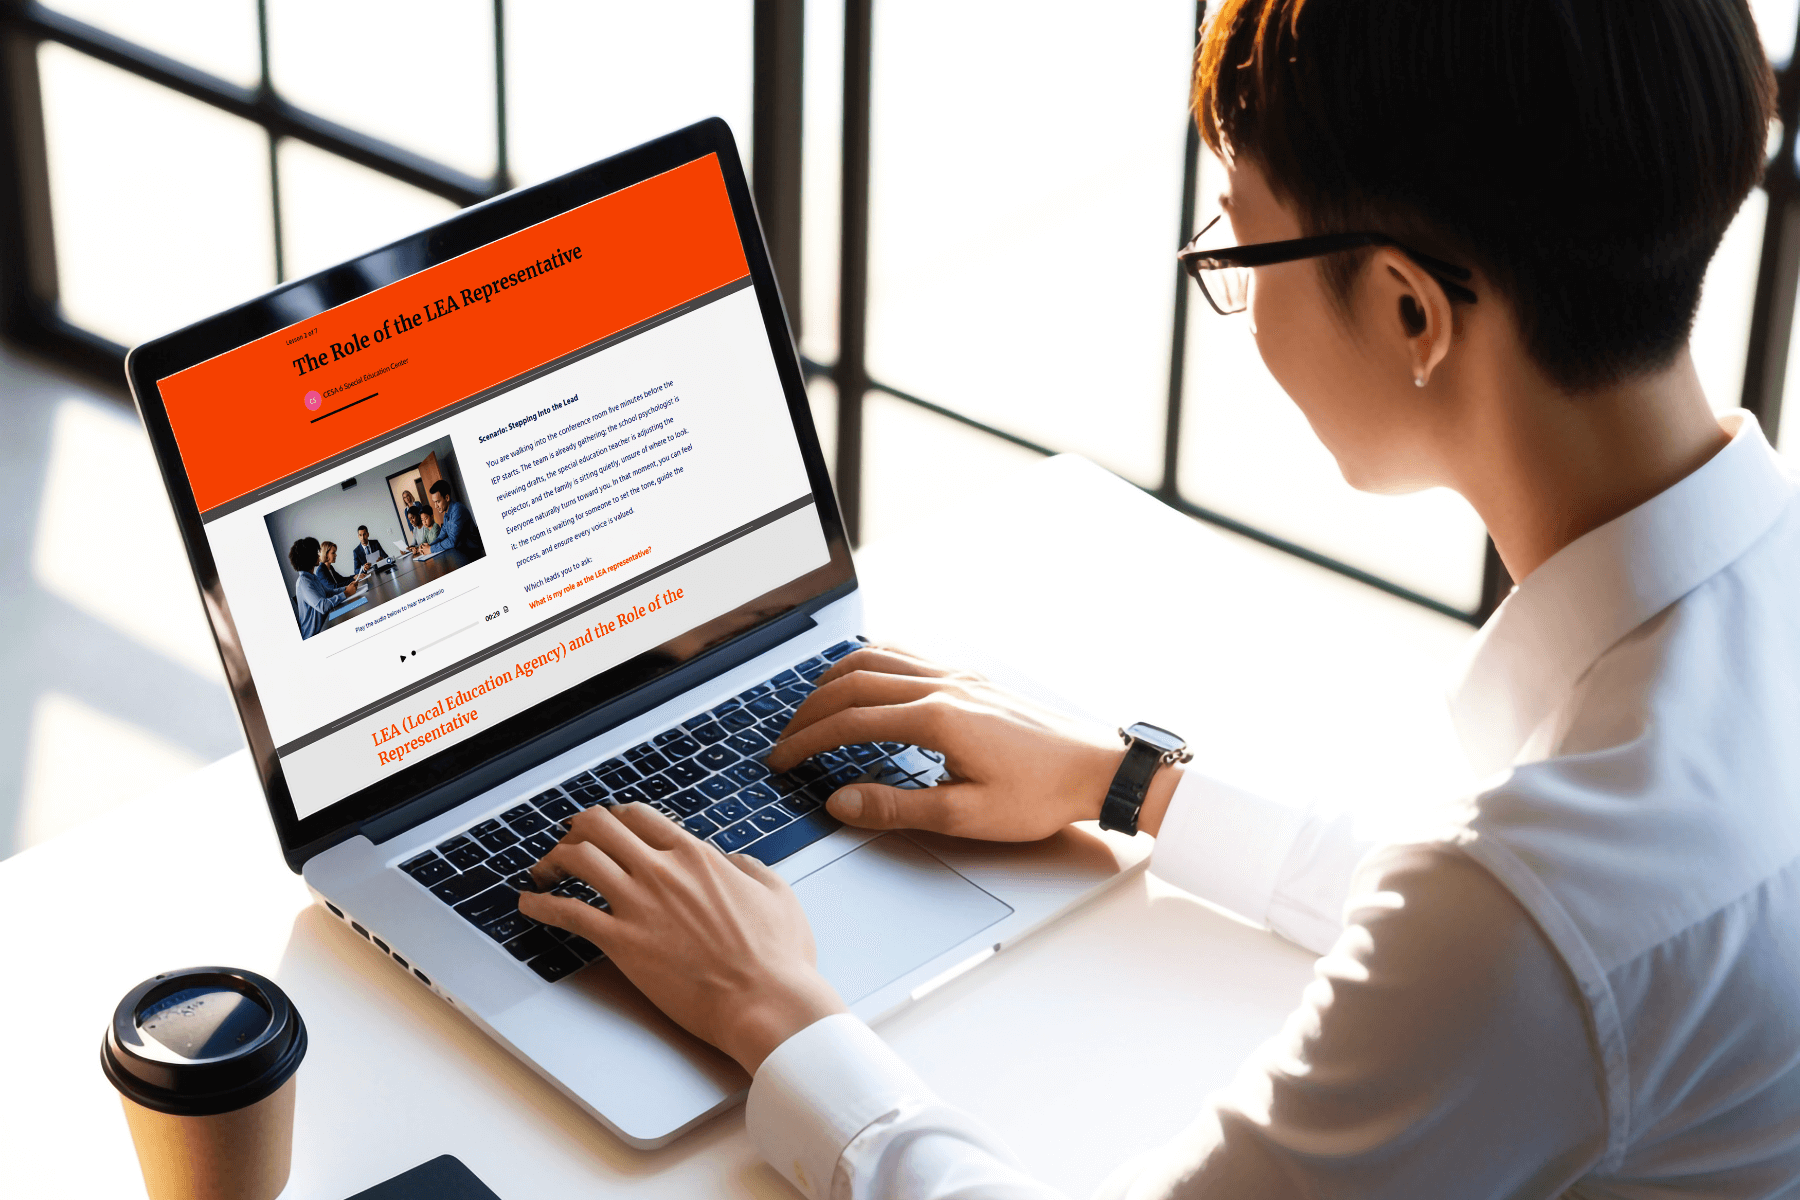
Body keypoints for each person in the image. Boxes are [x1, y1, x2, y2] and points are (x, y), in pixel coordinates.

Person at [518, 2, 1800, 1196]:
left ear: (1412, 310)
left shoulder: (1540, 912)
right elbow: (1515, 951)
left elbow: (1513, 947)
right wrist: (1124, 784)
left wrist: (774, 1012)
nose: (1230, 285)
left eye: (1240, 239)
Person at [289, 536, 356, 639]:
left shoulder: (312, 577)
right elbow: (322, 606)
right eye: (316, 553)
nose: (318, 555)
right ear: (308, 557)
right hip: (316, 634)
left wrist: (347, 588)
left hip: (326, 622)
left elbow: (328, 592)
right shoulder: (303, 582)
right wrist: (347, 593)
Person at [421, 478, 480, 556]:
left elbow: (452, 541)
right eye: (434, 502)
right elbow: (441, 537)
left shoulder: (457, 509)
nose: (435, 506)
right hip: (462, 552)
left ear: (447, 498)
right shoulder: (446, 514)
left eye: (438, 501)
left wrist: (431, 549)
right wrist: (428, 547)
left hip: (474, 552)